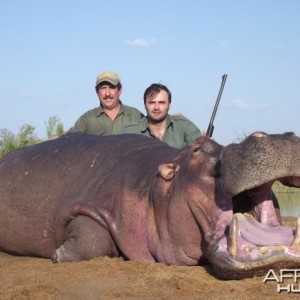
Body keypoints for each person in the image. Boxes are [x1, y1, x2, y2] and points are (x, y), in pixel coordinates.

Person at [118, 83, 202, 149]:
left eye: (161, 103)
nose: (156, 107)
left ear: (169, 105)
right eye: (152, 103)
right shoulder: (128, 131)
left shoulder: (185, 127)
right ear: (145, 105)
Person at [67, 71, 144, 135]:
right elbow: (68, 139)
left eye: (112, 87)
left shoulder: (135, 116)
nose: (107, 93)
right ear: (97, 91)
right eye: (103, 88)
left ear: (120, 90)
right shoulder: (87, 119)